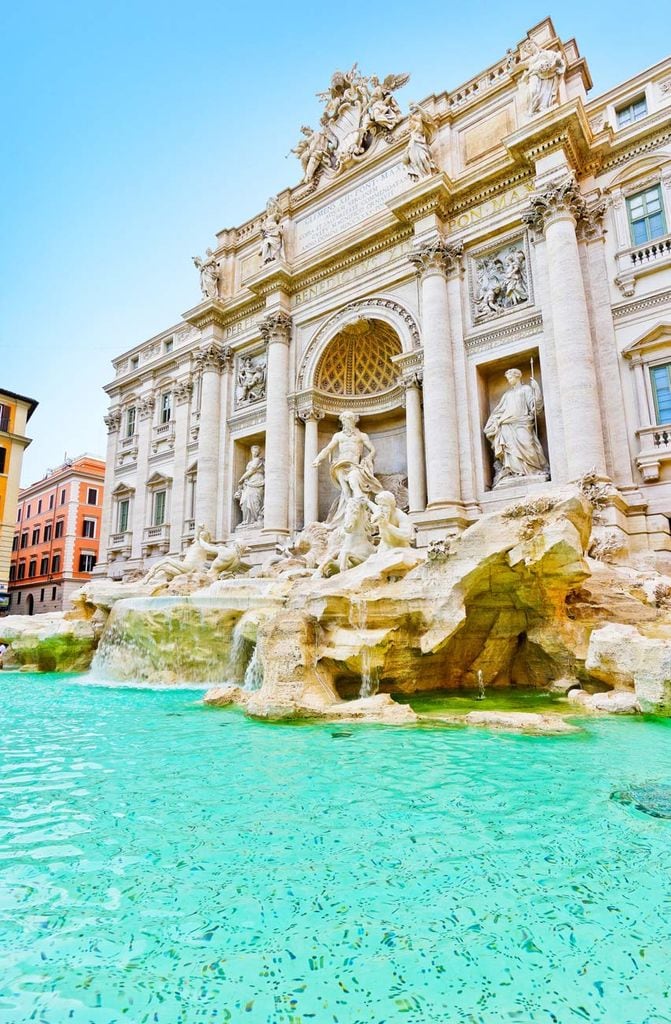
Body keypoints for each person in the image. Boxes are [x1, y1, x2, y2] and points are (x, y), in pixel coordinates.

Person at [313, 413, 382, 524]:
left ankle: (363, 512)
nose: (345, 422)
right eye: (344, 420)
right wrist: (318, 459)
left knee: (353, 481)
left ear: (354, 420)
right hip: (340, 465)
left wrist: (369, 457)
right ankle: (346, 519)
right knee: (346, 492)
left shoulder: (361, 435)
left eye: (348, 419)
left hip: (354, 465)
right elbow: (328, 448)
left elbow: (373, 450)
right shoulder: (338, 436)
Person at [484, 368, 549, 486]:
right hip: (507, 425)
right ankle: (515, 472)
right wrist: (495, 421)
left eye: (511, 378)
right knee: (511, 450)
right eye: (508, 379)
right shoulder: (507, 395)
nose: (509, 381)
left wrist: (537, 390)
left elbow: (535, 408)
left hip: (523, 423)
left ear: (518, 376)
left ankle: (534, 470)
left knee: (528, 444)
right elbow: (499, 411)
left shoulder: (526, 389)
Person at [235, 446, 265, 527]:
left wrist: (241, 479)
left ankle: (255, 519)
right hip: (249, 482)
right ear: (251, 451)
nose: (255, 452)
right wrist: (244, 482)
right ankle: (247, 520)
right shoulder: (249, 462)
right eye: (254, 451)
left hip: (257, 480)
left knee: (255, 500)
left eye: (257, 451)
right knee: (245, 500)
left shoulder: (258, 460)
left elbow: (252, 470)